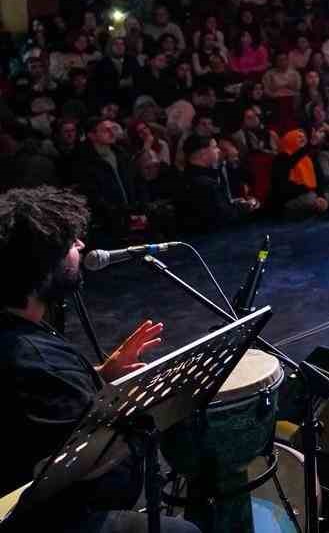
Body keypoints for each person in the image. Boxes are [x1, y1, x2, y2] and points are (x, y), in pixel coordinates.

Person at [0, 187, 198, 533]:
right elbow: (84, 460)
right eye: (70, 243)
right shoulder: (34, 359)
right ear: (43, 266)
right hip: (48, 516)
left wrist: (102, 373)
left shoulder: (16, 330)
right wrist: (143, 403)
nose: (80, 247)